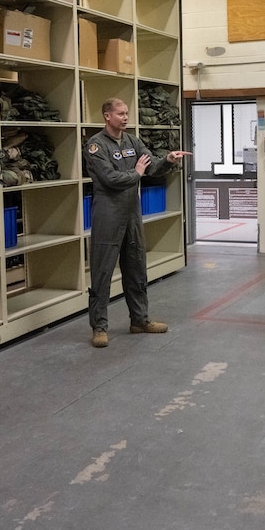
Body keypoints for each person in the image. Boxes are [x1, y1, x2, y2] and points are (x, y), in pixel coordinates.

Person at [85, 97, 191, 348]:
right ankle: (99, 327)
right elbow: (110, 178)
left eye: (126, 113)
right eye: (120, 113)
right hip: (108, 215)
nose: (125, 117)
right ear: (107, 116)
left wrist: (168, 160)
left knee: (136, 269)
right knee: (102, 272)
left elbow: (150, 165)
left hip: (132, 213)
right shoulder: (95, 146)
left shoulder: (133, 141)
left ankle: (139, 320)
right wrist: (137, 173)